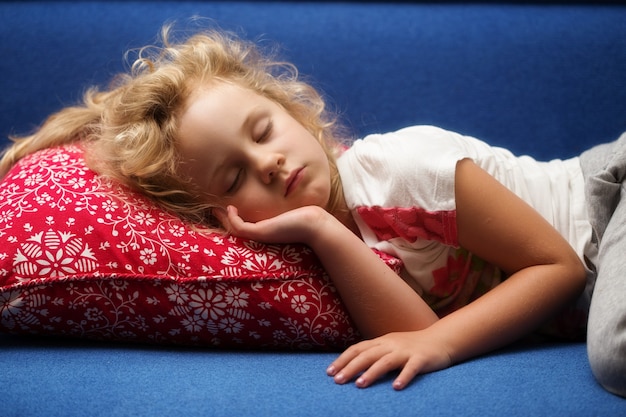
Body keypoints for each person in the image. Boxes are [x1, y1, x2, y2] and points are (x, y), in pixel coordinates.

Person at [0, 26, 624, 398]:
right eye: (235, 174)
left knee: (614, 355)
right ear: (217, 215)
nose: (267, 163)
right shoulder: (319, 245)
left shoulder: (400, 167)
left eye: (264, 131)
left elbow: (559, 267)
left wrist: (443, 345)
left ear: (295, 111)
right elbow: (405, 328)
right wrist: (323, 230)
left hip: (603, 205)